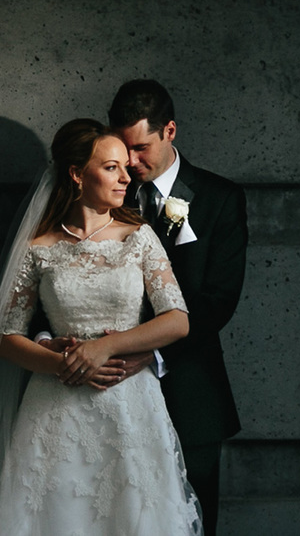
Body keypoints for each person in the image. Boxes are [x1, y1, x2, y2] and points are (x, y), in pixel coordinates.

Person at [0, 118, 204, 536]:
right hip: (56, 406)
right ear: (78, 174)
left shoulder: (140, 237)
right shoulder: (38, 249)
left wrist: (103, 349)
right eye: (111, 167)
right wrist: (60, 362)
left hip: (129, 404)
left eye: (124, 167)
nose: (125, 175)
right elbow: (5, 338)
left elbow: (178, 320)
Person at [109, 80, 246, 536]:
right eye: (123, 149)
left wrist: (154, 352)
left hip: (191, 392)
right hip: (111, 397)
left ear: (170, 131)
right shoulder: (108, 194)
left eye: (141, 147)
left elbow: (218, 300)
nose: (130, 162)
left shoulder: (220, 198)